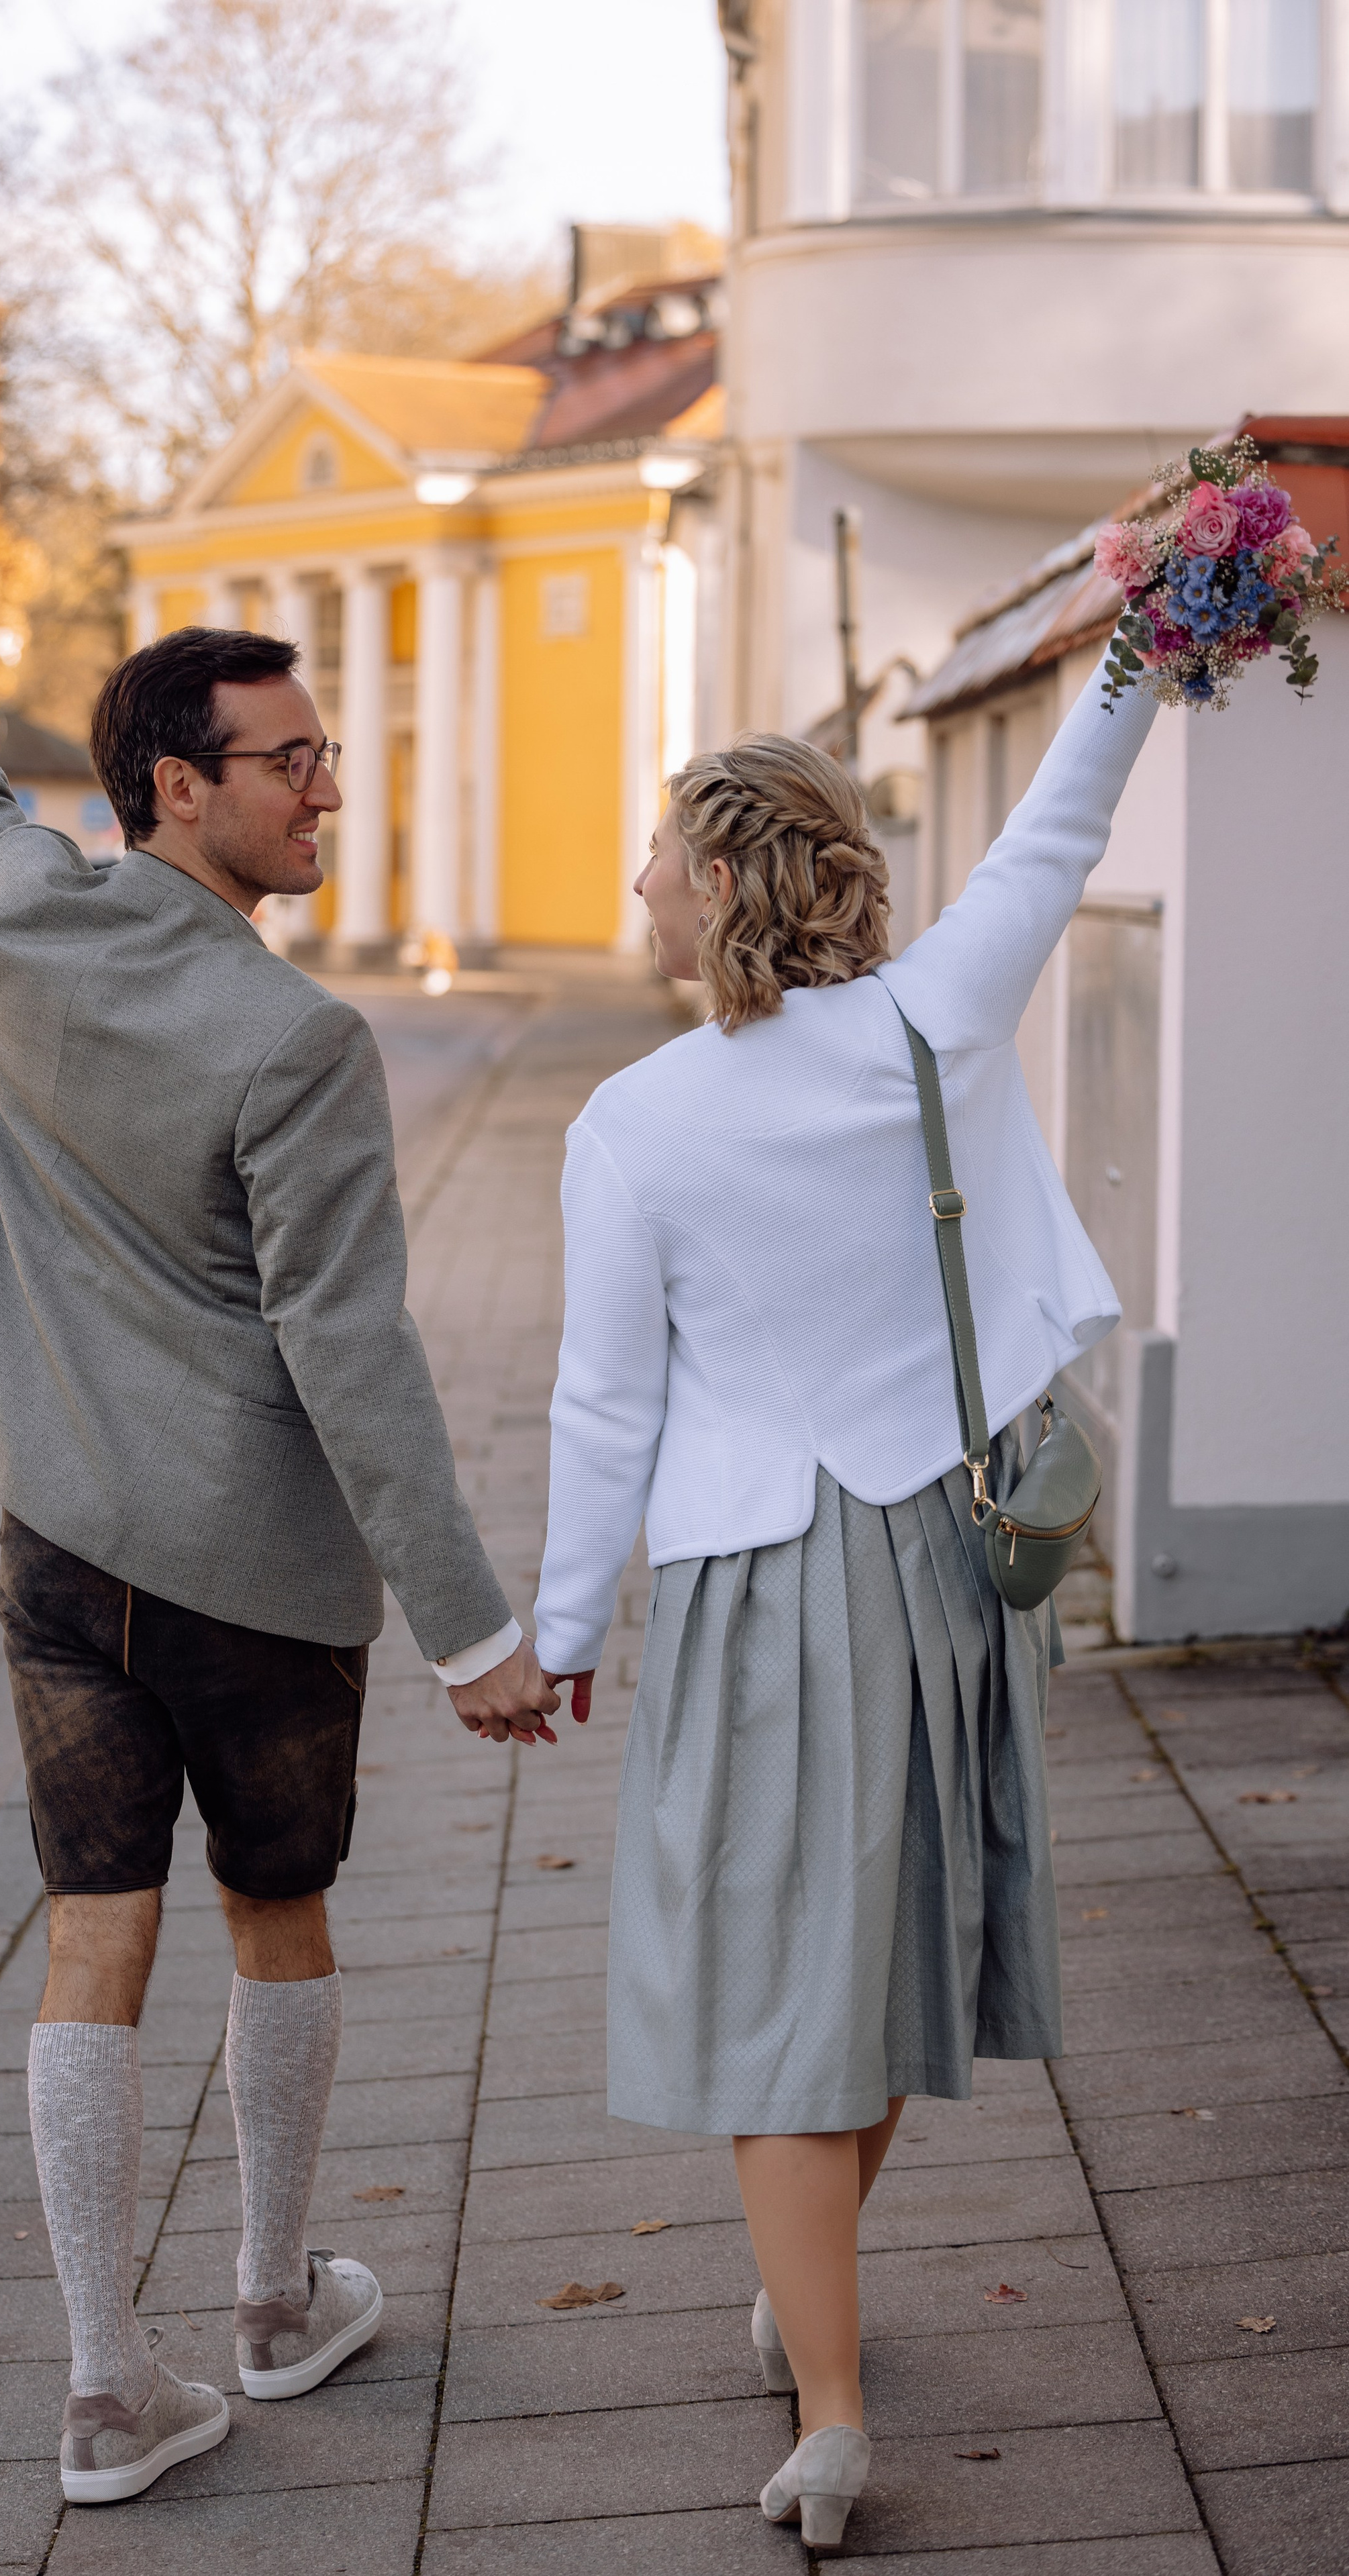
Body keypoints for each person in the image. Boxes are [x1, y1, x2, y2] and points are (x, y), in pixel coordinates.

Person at [0, 392, 559, 2506]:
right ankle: (263, 2293)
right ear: (175, 785)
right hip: (251, 1563)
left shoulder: (3, 922)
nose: (333, 782)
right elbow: (355, 1350)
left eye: (326, 749)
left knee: (89, 1931)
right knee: (282, 1906)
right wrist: (469, 1625)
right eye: (291, 759)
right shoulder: (298, 1041)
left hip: (58, 1538)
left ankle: (100, 2384)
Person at [534, 667, 1154, 2553]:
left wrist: (563, 1633)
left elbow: (606, 1405)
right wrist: (1147, 627)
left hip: (753, 1582)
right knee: (889, 1960)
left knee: (781, 1995)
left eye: (656, 850)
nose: (638, 882)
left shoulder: (632, 1126)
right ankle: (811, 2318)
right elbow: (1063, 824)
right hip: (943, 1568)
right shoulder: (933, 1024)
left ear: (722, 879)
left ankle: (830, 2411)